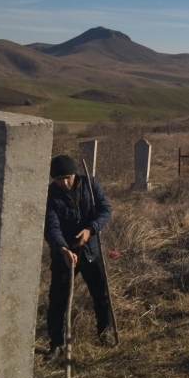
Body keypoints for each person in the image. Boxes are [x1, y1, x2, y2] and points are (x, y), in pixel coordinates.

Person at [44, 155, 114, 361]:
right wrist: (63, 249)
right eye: (59, 179)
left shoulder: (89, 185)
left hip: (91, 250)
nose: (64, 183)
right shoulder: (51, 194)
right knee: (58, 300)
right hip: (64, 255)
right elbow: (51, 227)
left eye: (68, 177)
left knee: (101, 294)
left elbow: (105, 210)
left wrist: (90, 229)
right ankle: (56, 344)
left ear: (74, 174)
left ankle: (105, 331)